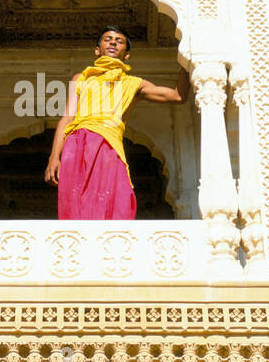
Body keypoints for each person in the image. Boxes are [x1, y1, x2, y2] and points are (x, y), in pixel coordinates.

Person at [44, 27, 189, 219]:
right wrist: (54, 158)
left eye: (119, 41)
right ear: (97, 49)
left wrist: (187, 60)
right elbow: (67, 118)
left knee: (113, 196)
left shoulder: (134, 83)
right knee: (76, 197)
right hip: (77, 143)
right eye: (108, 39)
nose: (113, 42)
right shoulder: (80, 78)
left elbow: (178, 96)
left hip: (109, 144)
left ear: (126, 54)